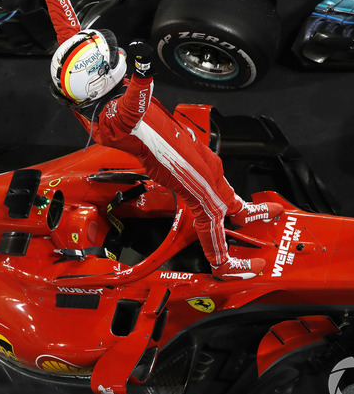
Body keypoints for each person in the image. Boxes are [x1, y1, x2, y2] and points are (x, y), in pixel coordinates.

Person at [48, 29, 283, 280]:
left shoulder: (77, 85)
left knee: (215, 167)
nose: (116, 57)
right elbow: (133, 109)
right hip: (171, 162)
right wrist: (142, 72)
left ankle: (238, 211)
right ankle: (222, 265)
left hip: (176, 138)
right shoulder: (111, 120)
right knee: (209, 209)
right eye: (109, 62)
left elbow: (69, 30)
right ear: (95, 83)